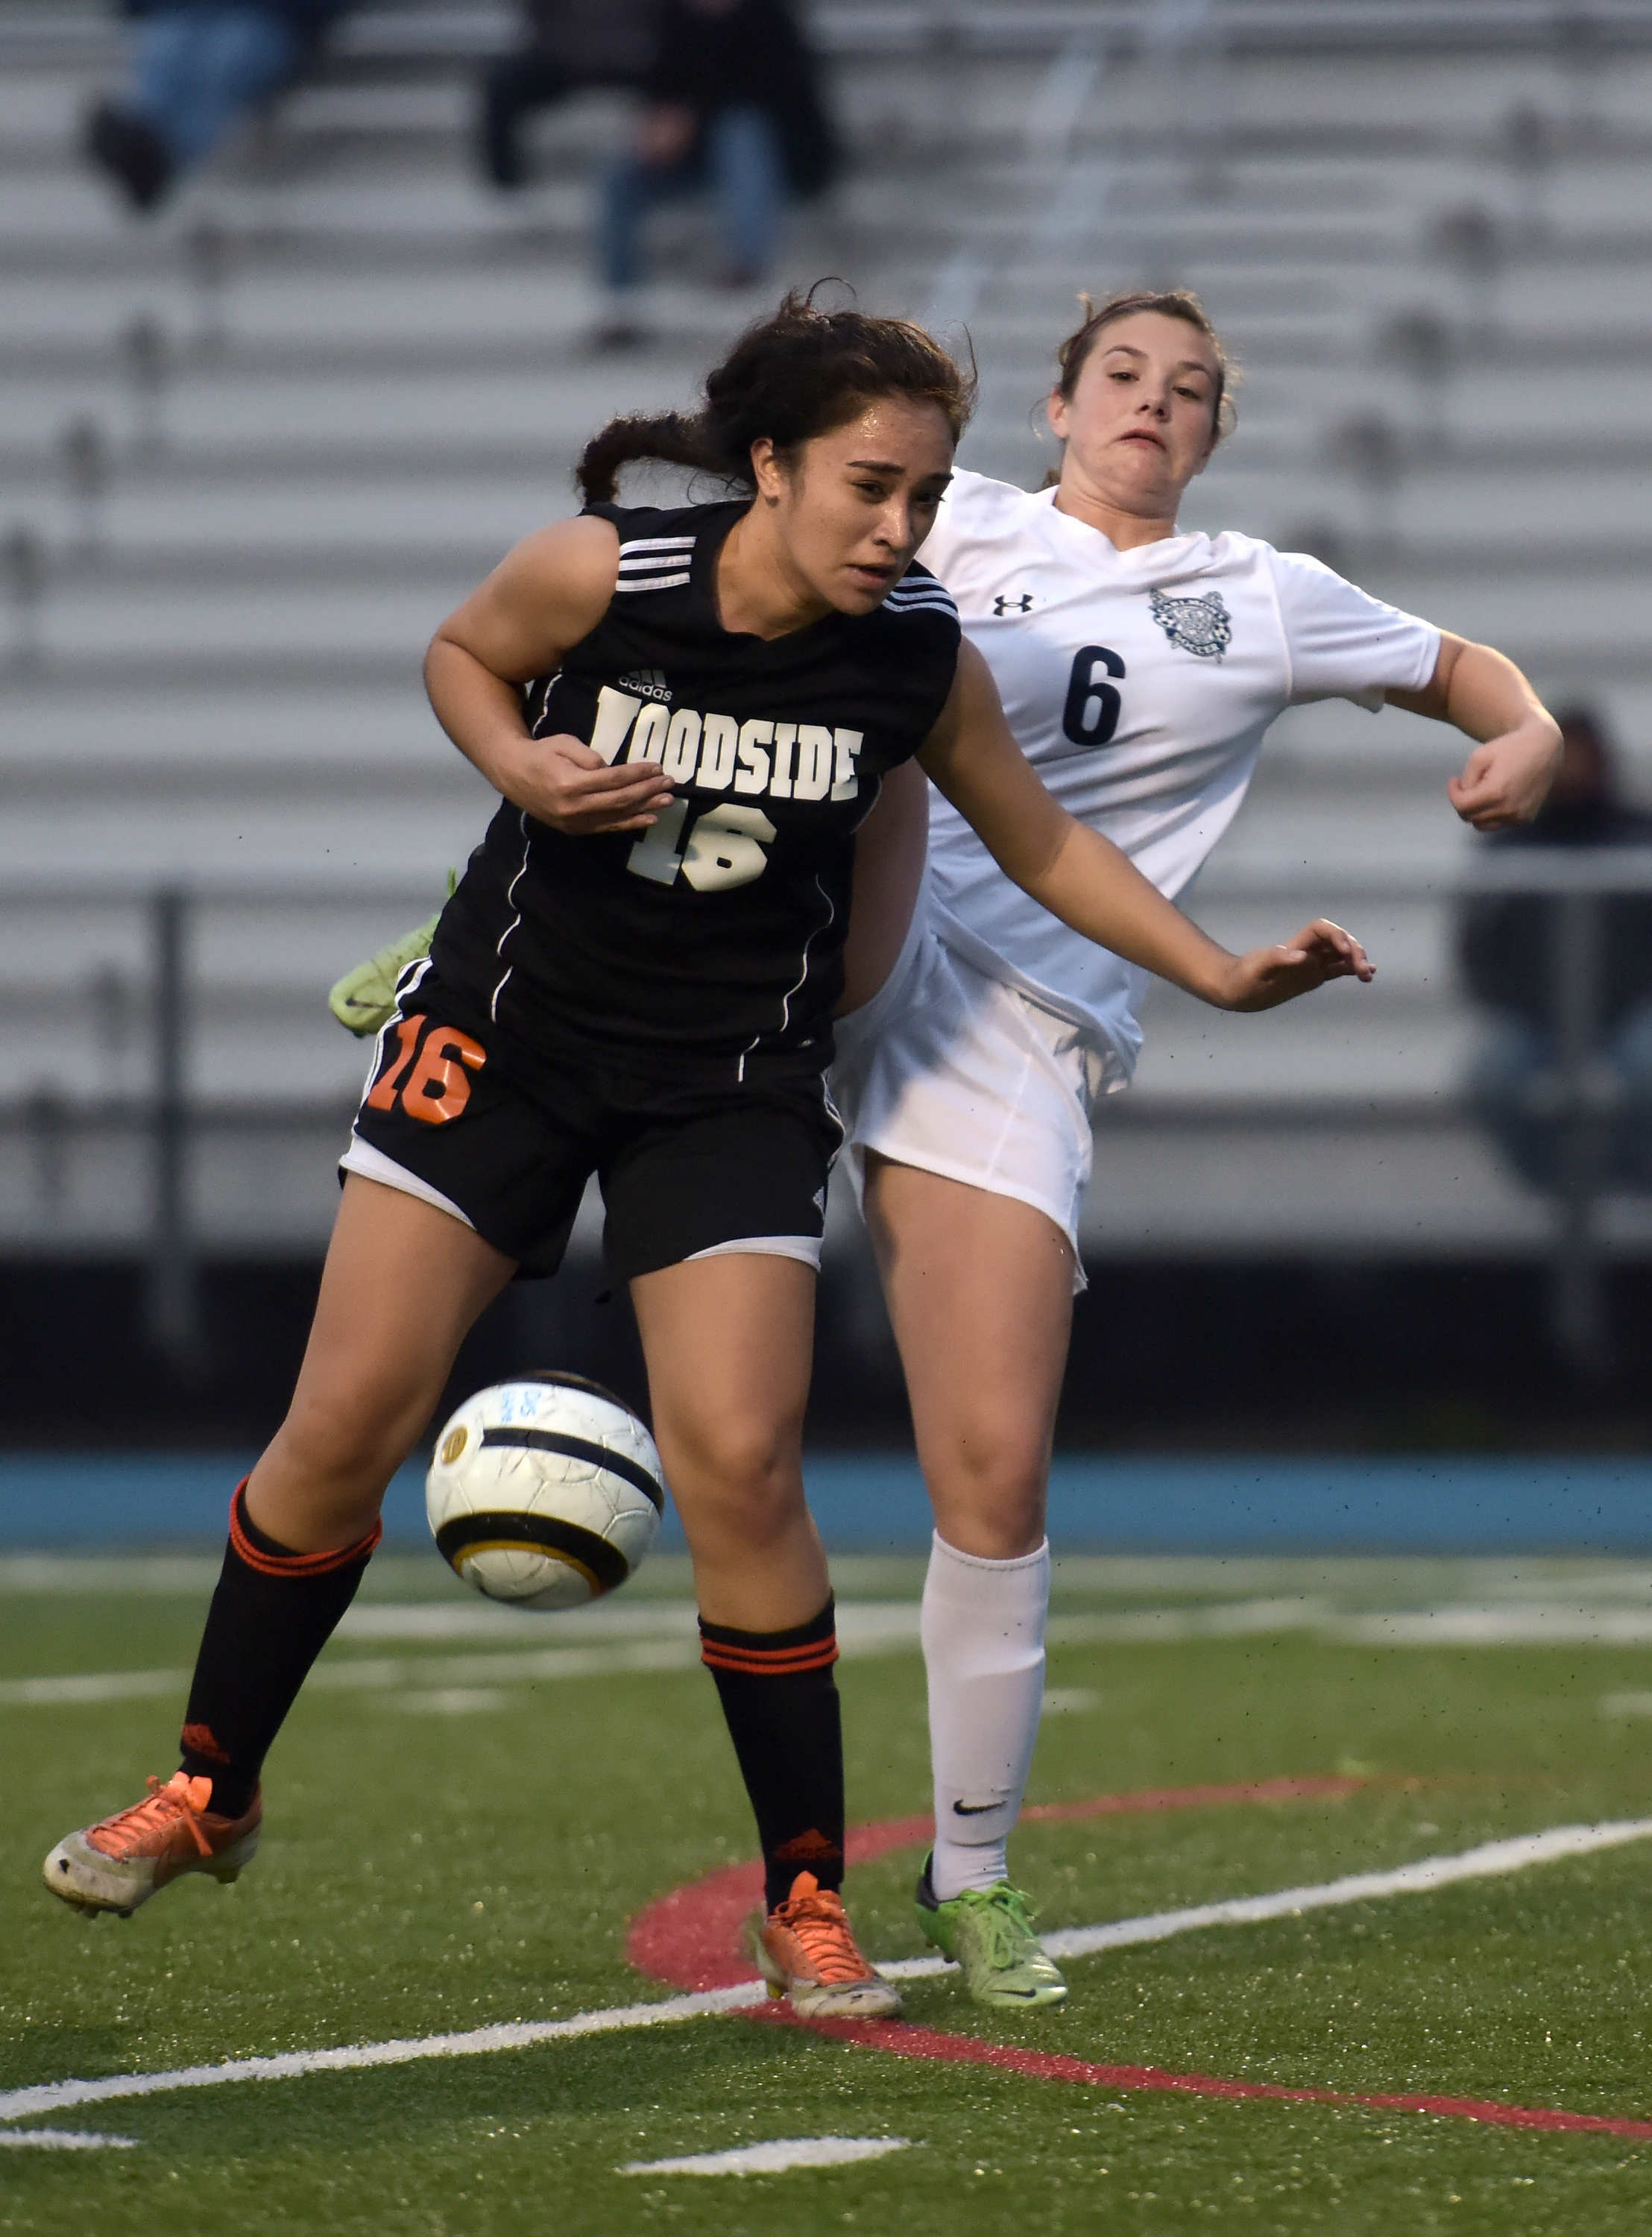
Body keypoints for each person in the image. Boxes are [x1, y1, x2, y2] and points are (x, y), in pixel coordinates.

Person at [42, 295, 1371, 2024]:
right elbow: (462, 650)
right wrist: (519, 756)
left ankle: (806, 1895)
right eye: (864, 489)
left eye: (920, 497)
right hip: (504, 1042)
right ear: (768, 465)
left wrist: (1218, 972)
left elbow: (1039, 840)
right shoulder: (611, 577)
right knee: (341, 1425)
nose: (896, 532)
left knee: (740, 1462)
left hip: (727, 1085)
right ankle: (212, 1788)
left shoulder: (906, 652)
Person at [827, 286, 1561, 2010]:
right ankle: (494, 936)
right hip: (821, 938)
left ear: (1214, 432)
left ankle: (972, 1868)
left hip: (1005, 1016)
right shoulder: (947, 517)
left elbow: (1470, 674)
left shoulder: (1257, 594)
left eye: (1189, 389)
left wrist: (1521, 730)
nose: (1153, 404)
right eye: (1122, 376)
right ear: (1062, 407)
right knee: (826, 682)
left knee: (994, 1471)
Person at [1459, 705, 1652, 1192]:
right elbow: (1477, 946)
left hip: (1629, 1016)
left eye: (1581, 758)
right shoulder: (1507, 845)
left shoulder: (1639, 838)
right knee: (1494, 1075)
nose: (1571, 771)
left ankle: (1631, 1184)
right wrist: (1519, 1003)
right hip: (1538, 1022)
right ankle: (1552, 1190)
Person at [594, 0, 836, 344]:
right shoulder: (675, 19)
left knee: (741, 134)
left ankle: (745, 269)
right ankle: (621, 299)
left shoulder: (769, 18)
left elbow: (776, 93)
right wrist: (659, 128)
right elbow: (660, 86)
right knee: (622, 171)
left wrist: (692, 118)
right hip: (697, 157)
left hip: (777, 159)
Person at [86, 1, 351, 212]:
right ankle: (141, 134)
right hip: (193, 13)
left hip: (269, 19)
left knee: (225, 60)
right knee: (165, 47)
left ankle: (155, 152)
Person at [478, 1, 660, 194]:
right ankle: (506, 186)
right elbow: (542, 21)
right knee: (502, 84)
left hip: (636, 59)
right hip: (565, 62)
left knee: (678, 78)